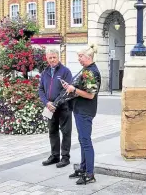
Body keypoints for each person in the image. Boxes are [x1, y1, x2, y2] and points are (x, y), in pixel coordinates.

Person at [63, 44, 101, 185]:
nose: (78, 59)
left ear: (88, 57)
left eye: (80, 56)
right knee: (82, 140)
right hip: (80, 109)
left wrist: (74, 90)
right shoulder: (86, 69)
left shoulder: (91, 72)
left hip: (85, 111)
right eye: (78, 56)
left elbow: (90, 95)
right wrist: (70, 87)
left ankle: (90, 174)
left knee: (86, 142)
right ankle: (83, 168)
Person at [38, 49, 73, 168]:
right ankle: (55, 156)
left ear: (58, 57)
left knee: (66, 132)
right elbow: (41, 89)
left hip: (64, 107)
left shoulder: (65, 71)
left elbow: (66, 90)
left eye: (54, 57)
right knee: (52, 132)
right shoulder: (45, 72)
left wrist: (55, 104)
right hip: (49, 108)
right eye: (50, 58)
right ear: (47, 59)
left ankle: (65, 157)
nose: (52, 60)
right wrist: (47, 102)